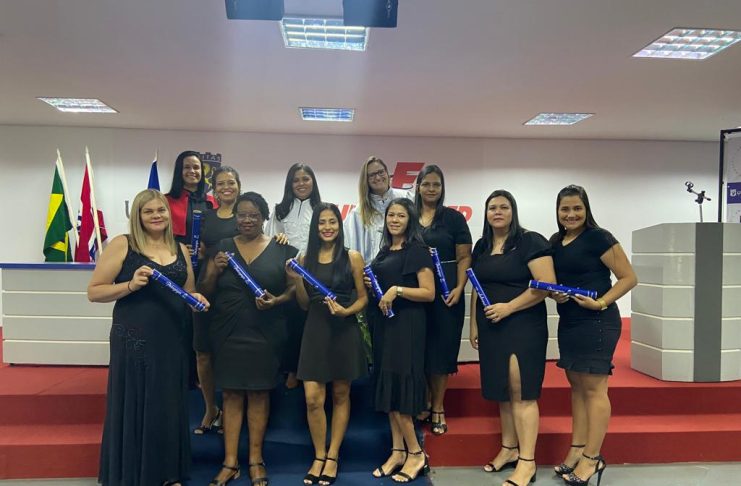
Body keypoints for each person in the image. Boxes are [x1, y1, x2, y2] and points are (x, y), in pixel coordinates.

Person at [88, 189, 209, 486]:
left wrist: (197, 298)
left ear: (169, 213)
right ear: (138, 216)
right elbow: (94, 291)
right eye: (149, 211)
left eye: (161, 210)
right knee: (139, 402)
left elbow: (188, 290)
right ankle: (135, 475)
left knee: (168, 404)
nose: (156, 216)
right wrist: (130, 285)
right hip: (135, 339)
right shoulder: (123, 244)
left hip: (173, 338)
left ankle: (168, 474)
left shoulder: (180, 248)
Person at [198, 192, 298, 486]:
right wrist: (214, 270)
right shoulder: (222, 248)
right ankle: (230, 463)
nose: (247, 220)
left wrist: (277, 300)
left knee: (258, 394)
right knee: (230, 395)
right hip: (228, 332)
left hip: (266, 333)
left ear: (264, 217)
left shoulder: (283, 249)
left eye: (254, 215)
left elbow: (294, 290)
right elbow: (205, 289)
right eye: (242, 214)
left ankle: (255, 460)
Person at [548, 185, 637, 486]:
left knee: (595, 389)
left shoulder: (599, 237)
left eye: (577, 208)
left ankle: (592, 457)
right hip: (570, 322)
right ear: (557, 211)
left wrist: (601, 302)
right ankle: (577, 448)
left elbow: (629, 277)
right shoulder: (555, 241)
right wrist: (555, 294)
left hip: (598, 321)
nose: (571, 214)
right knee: (577, 387)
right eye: (565, 209)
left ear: (586, 209)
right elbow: (554, 282)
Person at [469, 190, 555, 486]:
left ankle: (527, 461)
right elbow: (477, 285)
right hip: (491, 326)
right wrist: (474, 325)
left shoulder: (530, 241)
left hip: (523, 325)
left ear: (513, 211)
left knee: (521, 392)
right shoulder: (482, 245)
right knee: (503, 391)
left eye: (504, 207)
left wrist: (509, 307)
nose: (497, 212)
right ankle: (509, 449)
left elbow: (545, 285)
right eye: (492, 207)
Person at [286, 203, 369, 486]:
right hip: (315, 330)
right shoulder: (304, 258)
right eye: (322, 222)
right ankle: (318, 455)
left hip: (343, 330)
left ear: (339, 225)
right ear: (315, 227)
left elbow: (363, 298)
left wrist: (347, 312)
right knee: (312, 398)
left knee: (341, 394)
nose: (327, 227)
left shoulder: (352, 257)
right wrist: (297, 281)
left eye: (332, 222)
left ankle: (332, 456)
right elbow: (303, 303)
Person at [367, 198, 435, 484]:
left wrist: (396, 290)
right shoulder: (384, 251)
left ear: (410, 220)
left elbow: (429, 293)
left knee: (402, 392)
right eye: (391, 215)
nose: (394, 220)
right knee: (390, 389)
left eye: (401, 216)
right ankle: (398, 452)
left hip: (407, 327)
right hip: (385, 326)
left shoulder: (417, 250)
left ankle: (416, 453)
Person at [414, 165, 472, 435]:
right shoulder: (408, 214)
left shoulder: (454, 218)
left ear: (442, 188)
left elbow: (464, 257)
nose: (431, 189)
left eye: (436, 184)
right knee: (419, 349)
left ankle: (438, 406)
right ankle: (423, 400)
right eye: (426, 184)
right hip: (415, 292)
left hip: (447, 292)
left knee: (441, 350)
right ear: (418, 187)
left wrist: (460, 287)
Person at [192, 166, 241, 435]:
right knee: (203, 353)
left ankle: (231, 411)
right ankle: (211, 408)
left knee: (229, 353)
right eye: (221, 183)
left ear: (239, 185)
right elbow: (197, 252)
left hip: (235, 292)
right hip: (206, 288)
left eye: (231, 182)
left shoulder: (246, 215)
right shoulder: (205, 218)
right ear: (214, 188)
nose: (226, 187)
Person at [265, 163, 323, 389]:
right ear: (290, 184)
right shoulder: (279, 210)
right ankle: (291, 369)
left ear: (313, 182)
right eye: (296, 180)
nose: (301, 184)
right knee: (290, 322)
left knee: (312, 323)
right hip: (287, 276)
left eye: (305, 179)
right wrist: (277, 240)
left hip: (315, 275)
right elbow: (269, 240)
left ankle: (311, 368)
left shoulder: (321, 209)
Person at [344, 156, 411, 263]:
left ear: (387, 173)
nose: (378, 177)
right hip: (371, 270)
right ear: (365, 180)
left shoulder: (407, 198)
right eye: (372, 175)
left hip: (405, 266)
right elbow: (350, 250)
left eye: (381, 172)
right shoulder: (357, 213)